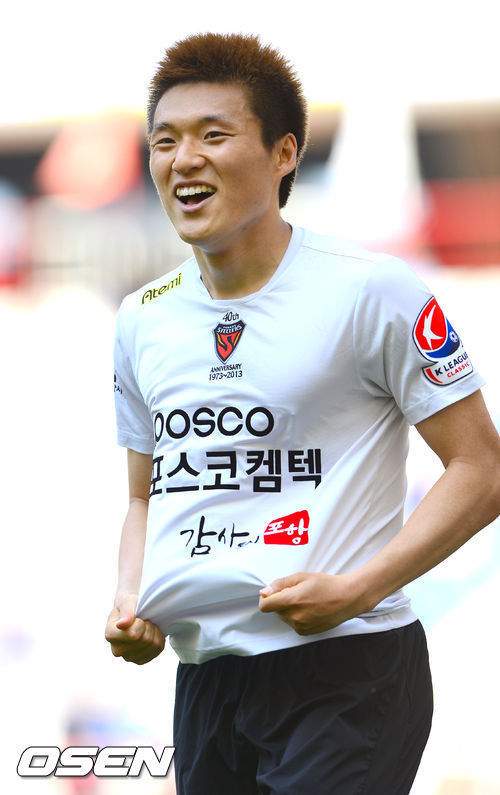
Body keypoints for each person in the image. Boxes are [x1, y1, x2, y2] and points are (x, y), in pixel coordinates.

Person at [105, 32, 500, 794]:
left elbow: (482, 467)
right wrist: (131, 596)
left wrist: (361, 587)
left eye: (213, 135)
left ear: (284, 153)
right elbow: (143, 496)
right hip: (207, 678)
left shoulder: (373, 290)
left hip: (348, 669)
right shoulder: (140, 318)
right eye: (166, 140)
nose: (184, 159)